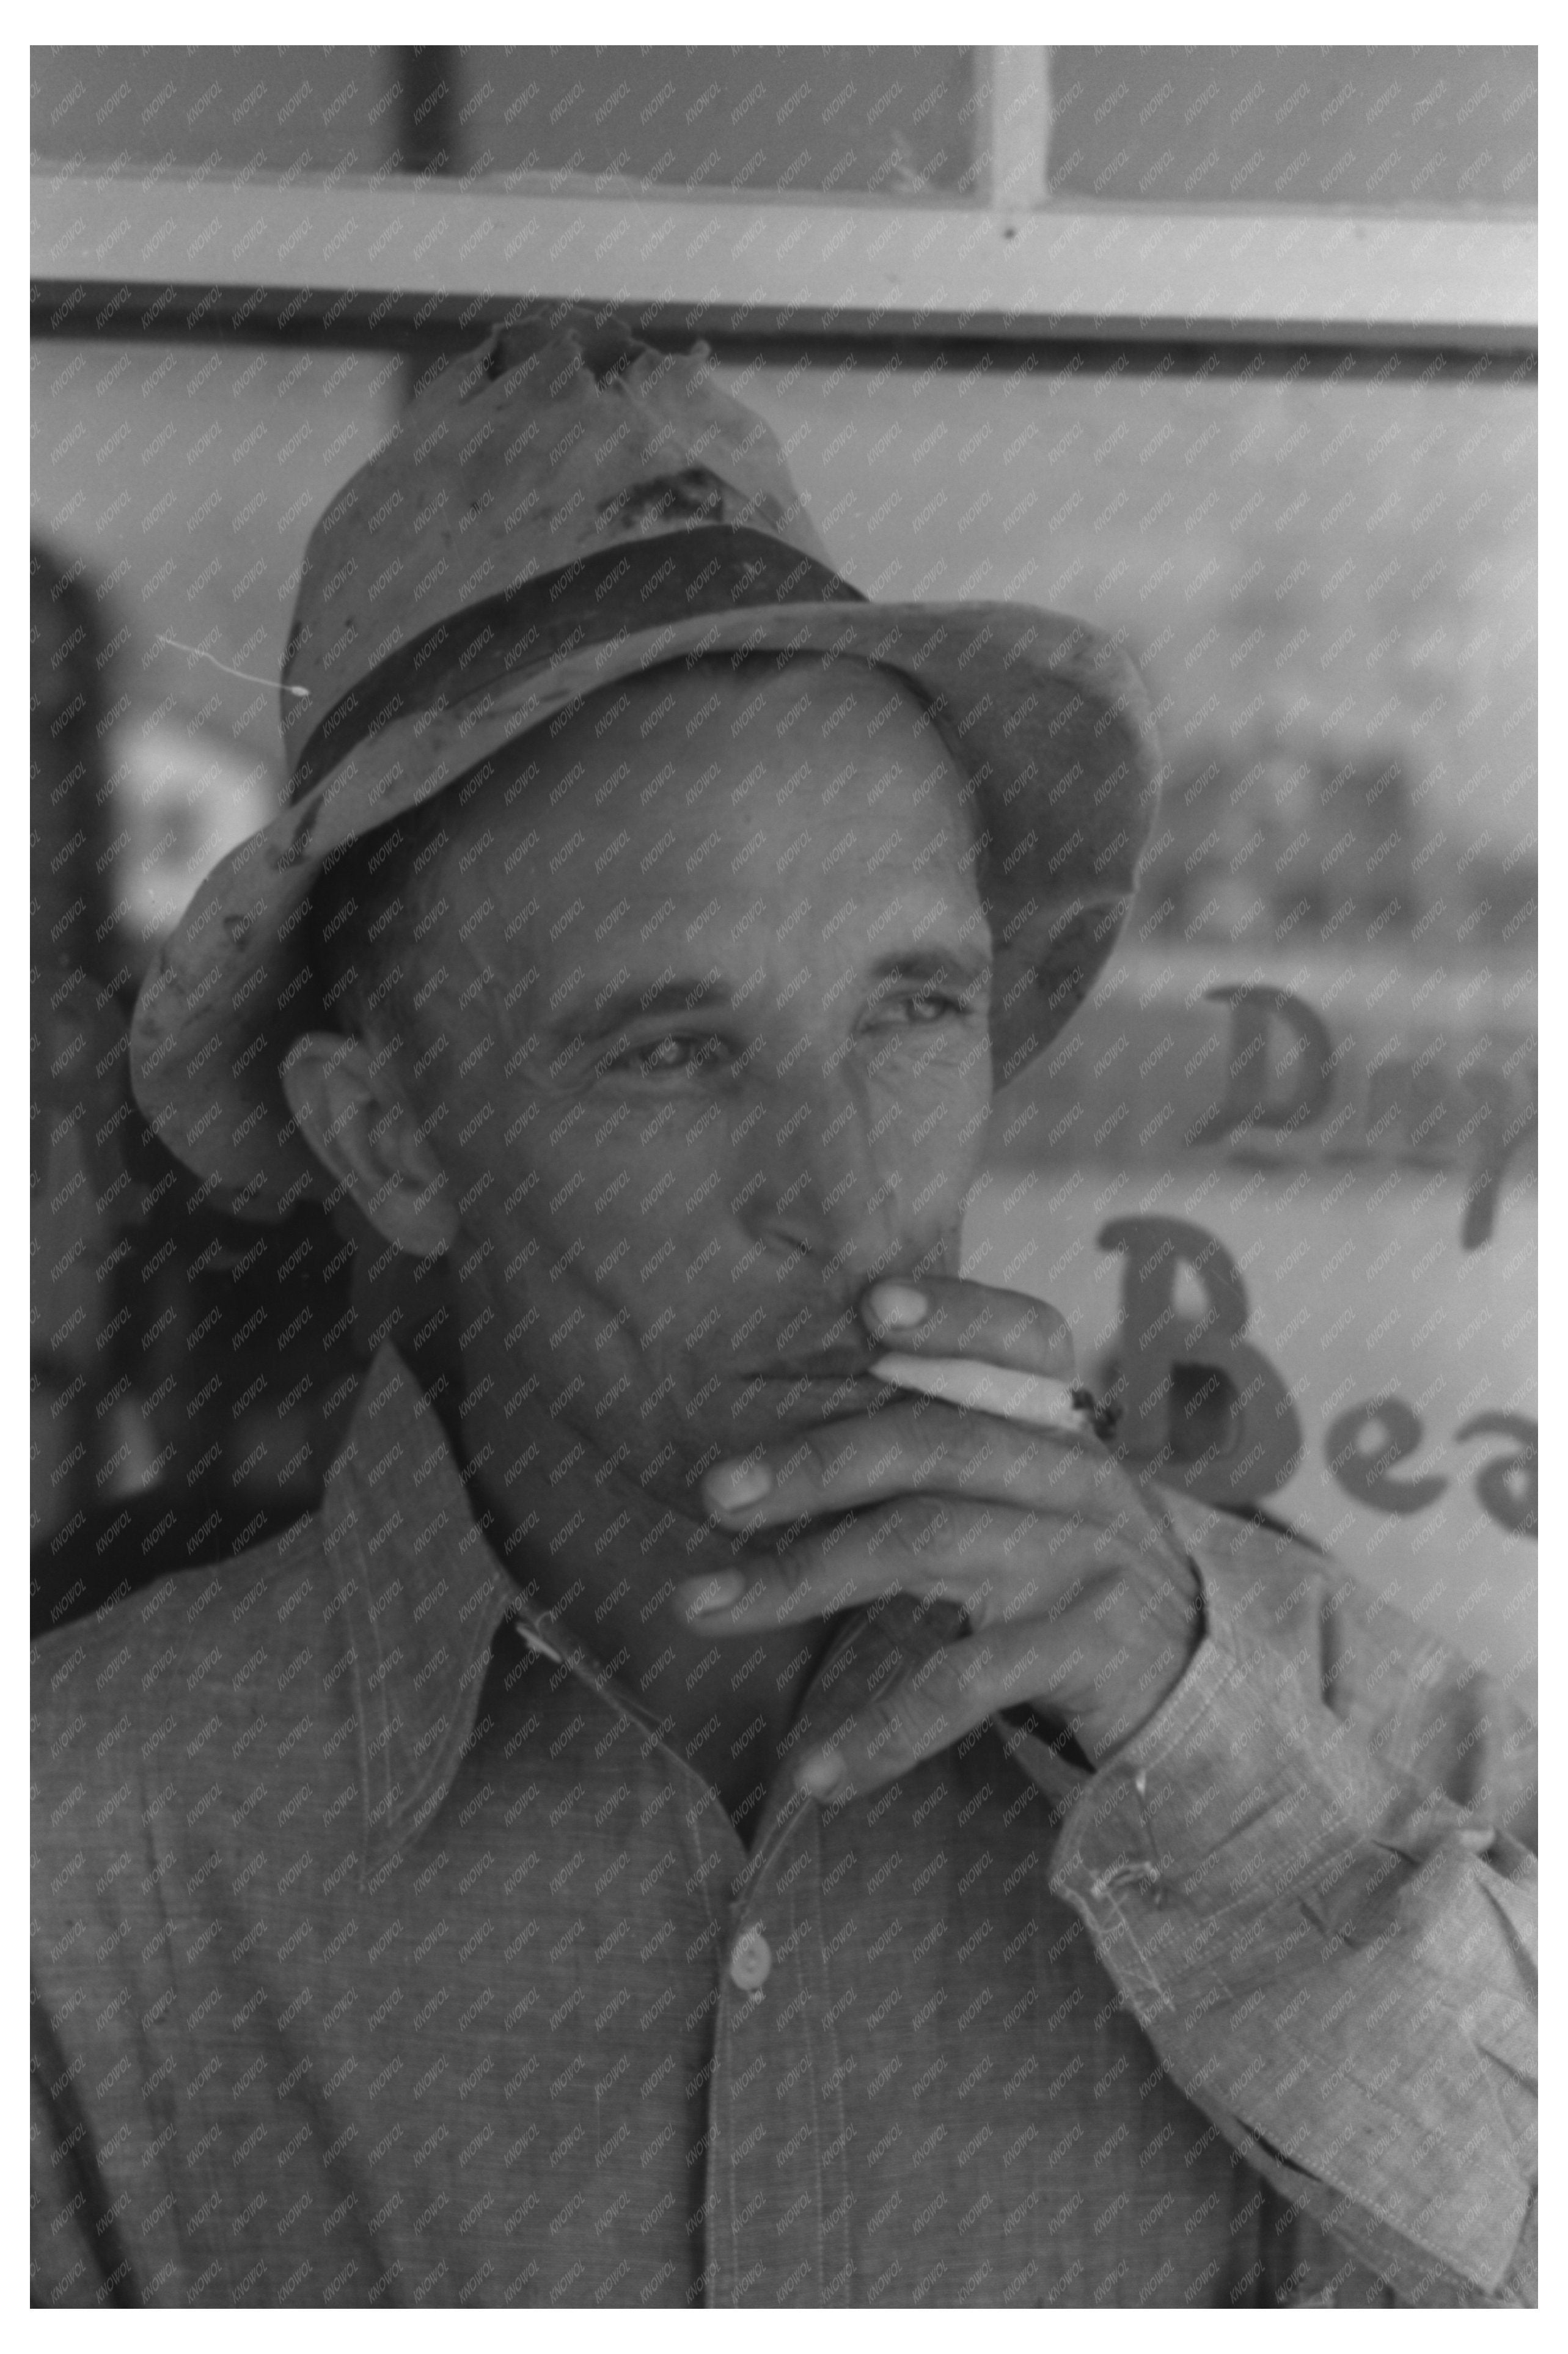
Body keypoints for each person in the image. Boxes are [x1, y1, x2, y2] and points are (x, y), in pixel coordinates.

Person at [30, 310, 1536, 2310]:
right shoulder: (89, 1832)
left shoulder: (1320, 1701)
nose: (845, 1191)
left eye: (913, 1008)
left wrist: (1224, 1772)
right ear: (391, 1140)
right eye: (669, 1049)